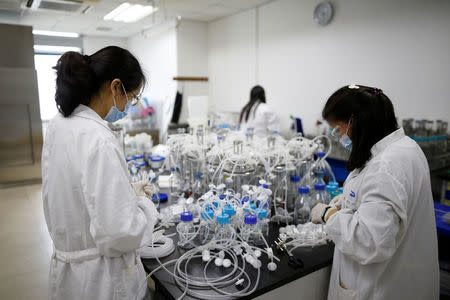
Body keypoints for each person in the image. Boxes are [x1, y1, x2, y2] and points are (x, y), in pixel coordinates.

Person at [42, 46, 157, 300]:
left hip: (71, 274)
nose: (129, 106)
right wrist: (144, 206)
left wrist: (125, 193)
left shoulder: (59, 124)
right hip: (103, 281)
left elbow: (76, 194)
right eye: (132, 97)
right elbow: (120, 232)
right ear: (115, 87)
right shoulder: (99, 138)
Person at [311, 84, 439, 300]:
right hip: (409, 279)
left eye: (338, 128)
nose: (338, 135)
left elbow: (370, 242)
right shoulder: (406, 147)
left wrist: (328, 215)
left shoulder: (385, 167)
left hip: (381, 287)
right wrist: (352, 201)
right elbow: (394, 204)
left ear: (355, 121)